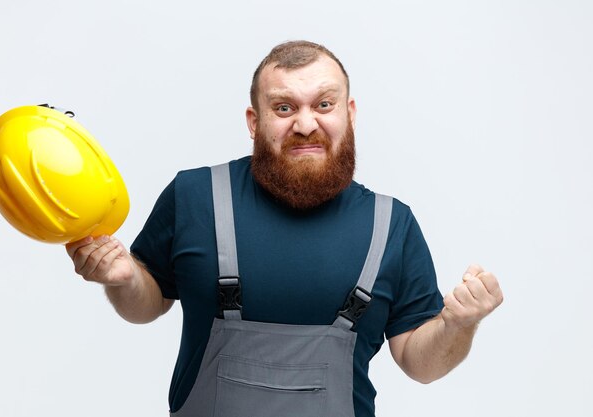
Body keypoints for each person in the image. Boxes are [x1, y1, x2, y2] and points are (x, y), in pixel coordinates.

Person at [66, 40, 503, 417]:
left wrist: (459, 325)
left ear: (349, 113)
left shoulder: (393, 225)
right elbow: (147, 305)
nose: (306, 124)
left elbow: (419, 363)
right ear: (254, 122)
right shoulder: (194, 196)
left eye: (324, 104)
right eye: (284, 107)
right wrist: (123, 280)